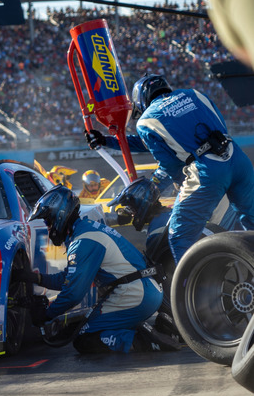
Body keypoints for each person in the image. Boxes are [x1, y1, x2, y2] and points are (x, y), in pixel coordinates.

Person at [85, 73, 254, 263]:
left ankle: (192, 290)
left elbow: (170, 166)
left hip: (209, 173)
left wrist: (152, 187)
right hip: (238, 159)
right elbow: (216, 125)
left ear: (140, 100)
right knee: (251, 225)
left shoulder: (147, 120)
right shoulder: (194, 94)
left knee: (180, 236)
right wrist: (108, 141)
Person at [15, 184, 180, 354]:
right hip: (143, 290)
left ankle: (144, 341)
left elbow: (73, 293)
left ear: (60, 215)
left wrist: (47, 314)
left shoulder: (83, 241)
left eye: (48, 221)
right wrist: (35, 278)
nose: (47, 227)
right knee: (81, 329)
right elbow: (70, 278)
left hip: (134, 294)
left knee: (85, 339)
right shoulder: (86, 230)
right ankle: (162, 328)